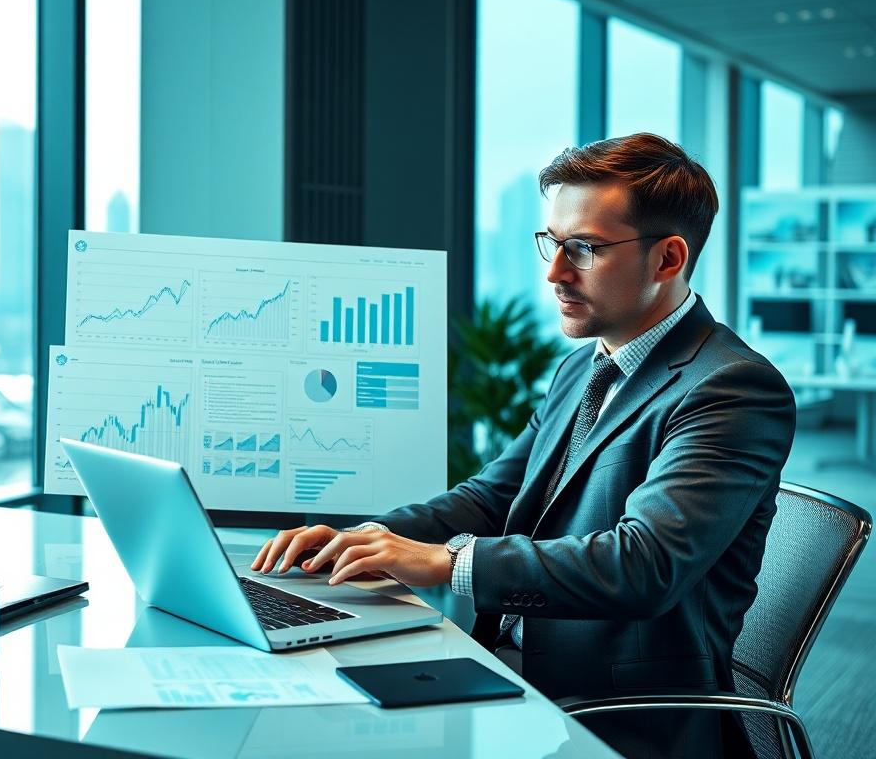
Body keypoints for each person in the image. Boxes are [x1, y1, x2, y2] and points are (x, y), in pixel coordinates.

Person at [252, 133, 795, 758]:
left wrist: (445, 563)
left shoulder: (731, 387)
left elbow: (644, 565)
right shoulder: (581, 369)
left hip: (614, 713)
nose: (555, 272)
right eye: (552, 243)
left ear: (668, 258)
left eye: (585, 249)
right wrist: (362, 539)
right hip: (511, 668)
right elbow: (491, 497)